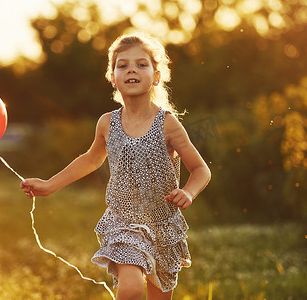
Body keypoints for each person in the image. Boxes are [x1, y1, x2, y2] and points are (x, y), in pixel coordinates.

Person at [21, 32, 211, 300]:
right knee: (131, 288)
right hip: (123, 222)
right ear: (112, 77)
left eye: (141, 64)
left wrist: (189, 192)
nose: (131, 69)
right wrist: (49, 185)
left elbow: (201, 169)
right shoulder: (107, 123)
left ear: (156, 76)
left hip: (163, 225)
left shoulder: (167, 124)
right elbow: (91, 159)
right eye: (122, 65)